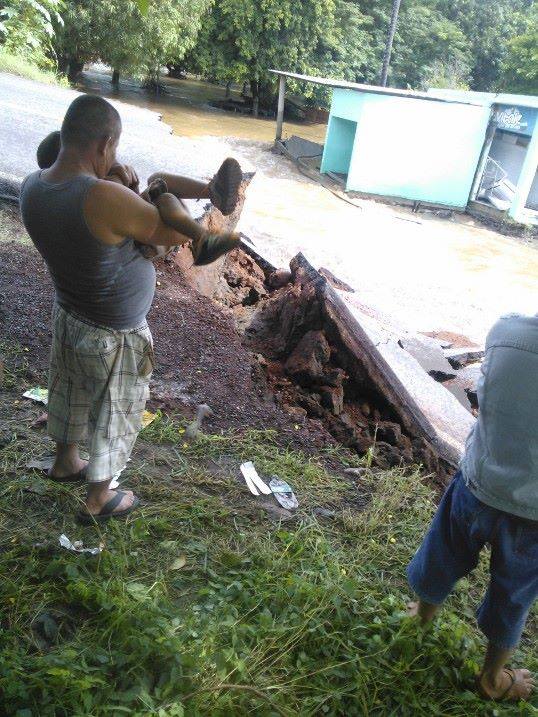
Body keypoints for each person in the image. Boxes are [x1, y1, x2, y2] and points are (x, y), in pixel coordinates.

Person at [19, 94, 240, 523]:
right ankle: (100, 497)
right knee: (116, 411)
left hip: (70, 316)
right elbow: (164, 236)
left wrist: (124, 184)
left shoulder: (33, 187)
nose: (115, 158)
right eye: (114, 150)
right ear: (103, 145)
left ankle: (66, 460)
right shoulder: (101, 197)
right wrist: (154, 193)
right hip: (113, 333)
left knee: (71, 392)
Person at [407, 313, 538, 702]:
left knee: (443, 552)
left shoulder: (506, 332)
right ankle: (492, 678)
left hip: (477, 484)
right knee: (513, 592)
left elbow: (487, 395)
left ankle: (420, 617)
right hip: (533, 514)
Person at [35, 129, 244, 263]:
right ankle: (203, 240)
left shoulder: (81, 185)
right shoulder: (89, 190)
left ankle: (213, 192)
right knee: (166, 198)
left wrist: (133, 187)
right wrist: (118, 175)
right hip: (141, 242)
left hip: (135, 228)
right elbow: (117, 208)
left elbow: (124, 205)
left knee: (158, 178)